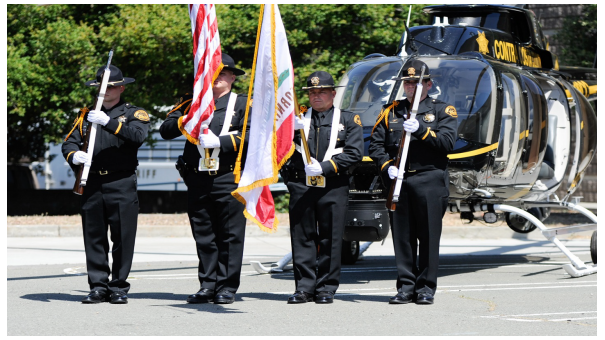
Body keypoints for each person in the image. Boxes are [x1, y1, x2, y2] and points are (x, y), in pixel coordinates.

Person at [159, 54, 249, 305]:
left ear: (232, 77)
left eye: (223, 73)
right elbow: (165, 130)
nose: (218, 77)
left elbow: (254, 136)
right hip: (197, 176)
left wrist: (221, 142)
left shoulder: (244, 103)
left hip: (228, 175)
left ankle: (227, 286)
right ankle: (207, 285)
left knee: (230, 235)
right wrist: (188, 118)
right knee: (204, 234)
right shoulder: (191, 103)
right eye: (213, 72)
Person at [368, 59, 458, 305]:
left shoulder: (443, 111)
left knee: (428, 236)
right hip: (399, 181)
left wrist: (421, 130)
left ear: (428, 85)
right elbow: (376, 145)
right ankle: (406, 287)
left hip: (429, 179)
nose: (411, 87)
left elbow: (447, 144)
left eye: (416, 83)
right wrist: (387, 167)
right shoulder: (391, 111)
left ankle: (426, 288)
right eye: (407, 83)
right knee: (403, 237)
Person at [62, 65, 150, 304]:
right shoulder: (86, 115)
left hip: (120, 181)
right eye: (102, 87)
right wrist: (74, 156)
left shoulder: (134, 113)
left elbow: (138, 137)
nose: (106, 91)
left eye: (111, 87)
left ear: (121, 88)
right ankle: (98, 285)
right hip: (91, 182)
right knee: (94, 236)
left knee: (122, 236)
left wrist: (109, 123)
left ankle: (119, 286)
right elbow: (69, 142)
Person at [283, 71, 364, 304]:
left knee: (331, 237)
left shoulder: (348, 120)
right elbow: (280, 151)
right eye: (312, 92)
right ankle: (304, 288)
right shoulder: (297, 119)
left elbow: (355, 153)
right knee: (302, 237)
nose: (316, 96)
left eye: (321, 92)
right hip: (302, 185)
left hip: (333, 185)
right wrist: (289, 130)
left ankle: (326, 287)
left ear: (332, 93)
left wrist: (327, 167)